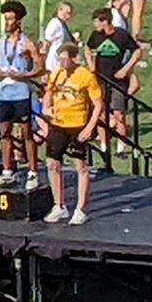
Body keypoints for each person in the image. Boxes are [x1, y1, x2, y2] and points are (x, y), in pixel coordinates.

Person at [42, 42, 104, 226]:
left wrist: (89, 128)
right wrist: (46, 108)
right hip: (58, 124)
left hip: (77, 124)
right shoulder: (57, 74)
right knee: (52, 163)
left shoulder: (85, 76)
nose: (61, 62)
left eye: (64, 59)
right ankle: (59, 205)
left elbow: (99, 104)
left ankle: (81, 208)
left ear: (73, 58)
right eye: (59, 59)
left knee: (80, 166)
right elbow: (48, 93)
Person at [0, 1, 43, 191]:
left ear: (19, 20)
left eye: (11, 18)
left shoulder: (27, 43)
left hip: (21, 93)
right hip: (3, 93)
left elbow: (39, 67)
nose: (8, 22)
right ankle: (6, 171)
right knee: (4, 133)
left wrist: (24, 75)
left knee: (27, 134)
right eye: (6, 18)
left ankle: (32, 171)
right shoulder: (0, 41)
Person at [85, 7, 140, 155]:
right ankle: (104, 144)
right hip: (100, 79)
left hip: (117, 80)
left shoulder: (121, 35)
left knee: (119, 114)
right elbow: (87, 48)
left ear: (105, 22)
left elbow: (137, 51)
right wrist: (90, 64)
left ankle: (122, 144)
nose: (95, 26)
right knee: (101, 113)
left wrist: (126, 69)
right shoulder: (95, 36)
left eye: (96, 22)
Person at [41, 1, 76, 74]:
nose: (68, 16)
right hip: (54, 60)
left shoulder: (63, 25)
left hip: (62, 59)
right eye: (67, 13)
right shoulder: (54, 23)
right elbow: (47, 41)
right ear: (59, 10)